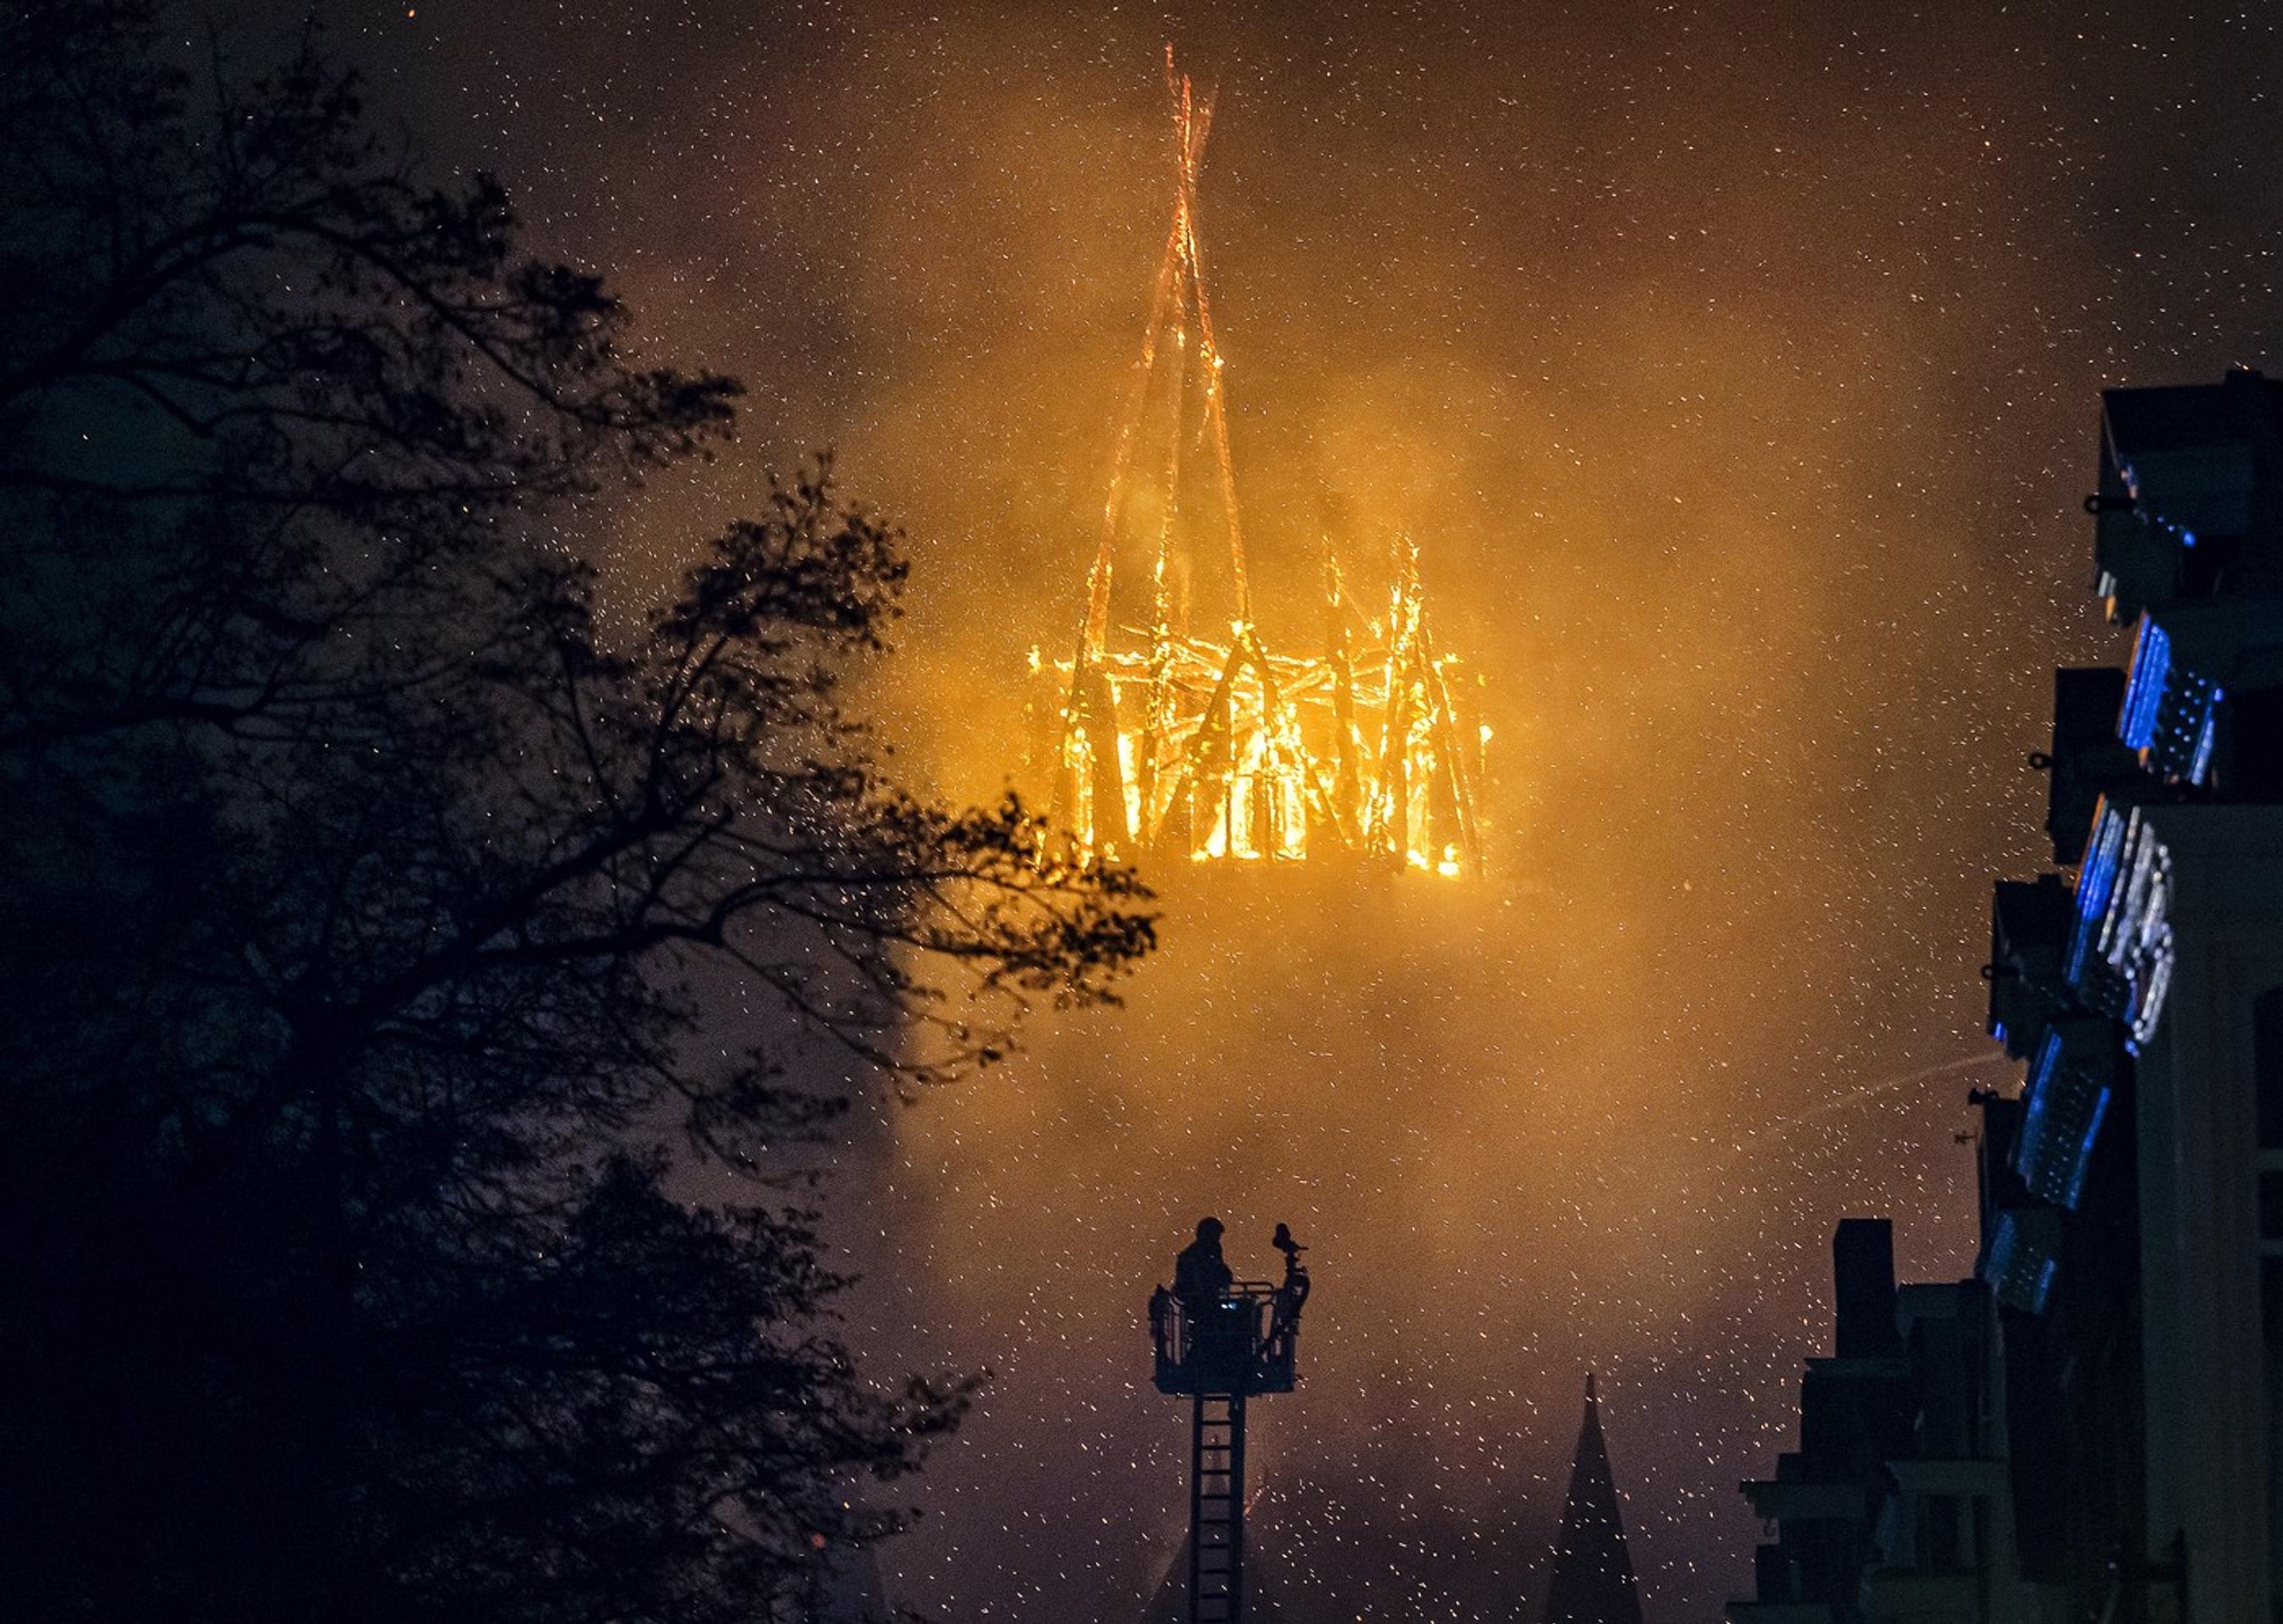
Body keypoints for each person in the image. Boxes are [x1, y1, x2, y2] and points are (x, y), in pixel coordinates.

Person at [1174, 1216, 1234, 1312]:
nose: (1218, 1239)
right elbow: (1199, 1275)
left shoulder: (1212, 1249)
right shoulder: (1192, 1256)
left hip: (1204, 1298)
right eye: (1216, 1235)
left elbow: (1219, 1269)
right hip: (1197, 1300)